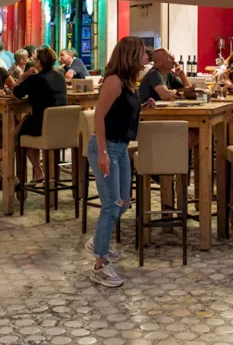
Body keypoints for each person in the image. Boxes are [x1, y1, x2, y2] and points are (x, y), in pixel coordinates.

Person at [86, 36, 150, 287]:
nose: (146, 58)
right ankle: (99, 265)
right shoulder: (113, 81)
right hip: (107, 148)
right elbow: (99, 116)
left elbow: (121, 112)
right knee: (111, 206)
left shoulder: (128, 82)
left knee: (123, 203)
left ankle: (98, 242)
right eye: (143, 53)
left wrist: (146, 106)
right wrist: (102, 152)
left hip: (121, 149)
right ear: (131, 55)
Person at [12, 46, 68, 182]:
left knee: (22, 132)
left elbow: (16, 93)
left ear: (38, 62)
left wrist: (23, 76)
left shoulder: (36, 79)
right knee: (25, 124)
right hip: (62, 127)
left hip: (43, 126)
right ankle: (38, 172)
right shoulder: (60, 77)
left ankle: (4, 155)